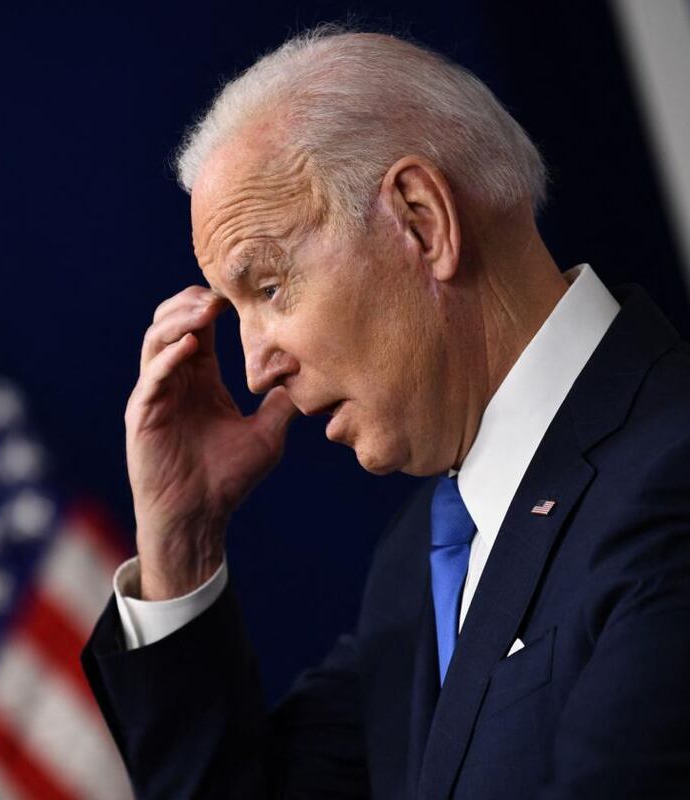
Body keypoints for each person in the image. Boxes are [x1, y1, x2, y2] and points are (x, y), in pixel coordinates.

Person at [81, 28, 690, 799]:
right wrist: (182, 544)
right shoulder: (422, 559)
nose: (255, 367)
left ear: (421, 220)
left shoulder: (672, 480)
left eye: (268, 288)